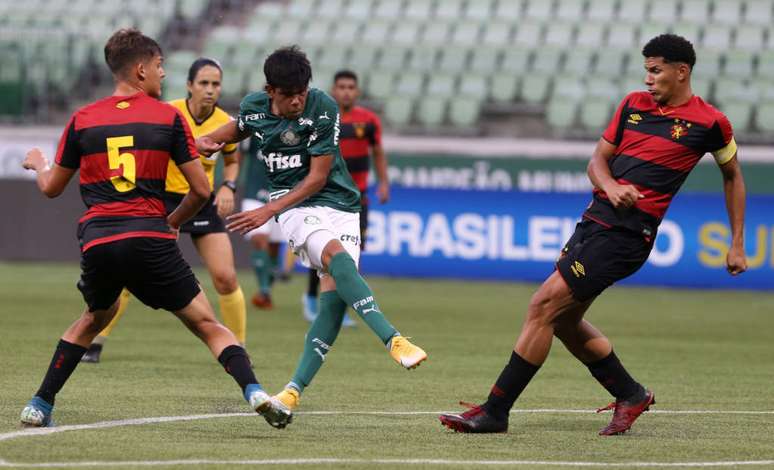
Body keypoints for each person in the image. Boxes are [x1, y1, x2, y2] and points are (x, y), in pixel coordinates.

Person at [439, 34, 747, 435]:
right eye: (646, 71)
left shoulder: (710, 123)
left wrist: (737, 242)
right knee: (564, 321)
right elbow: (597, 161)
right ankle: (632, 393)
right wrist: (612, 186)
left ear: (681, 71)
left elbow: (733, 175)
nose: (649, 79)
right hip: (593, 221)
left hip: (628, 235)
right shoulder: (632, 105)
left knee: (543, 305)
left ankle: (496, 410)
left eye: (655, 71)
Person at [19, 29, 290, 429]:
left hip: (98, 239)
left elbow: (51, 188)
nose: (164, 76)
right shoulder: (168, 117)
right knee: (207, 324)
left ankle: (40, 403)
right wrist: (172, 224)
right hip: (149, 235)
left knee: (92, 319)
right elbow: (200, 189)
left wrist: (37, 162)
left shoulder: (83, 118)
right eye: (161, 67)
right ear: (141, 69)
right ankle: (255, 392)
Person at [197, 46, 428, 414]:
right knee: (336, 258)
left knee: (335, 300)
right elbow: (235, 129)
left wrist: (265, 212)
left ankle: (290, 393)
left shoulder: (322, 106)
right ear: (271, 90)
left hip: (340, 203)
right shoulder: (256, 106)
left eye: (303, 92)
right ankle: (393, 339)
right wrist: (205, 142)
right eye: (290, 95)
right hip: (294, 206)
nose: (298, 101)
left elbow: (318, 177)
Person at [80, 57, 248, 363]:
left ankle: (238, 347)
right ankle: (95, 341)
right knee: (129, 275)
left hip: (201, 202)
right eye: (203, 83)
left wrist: (229, 186)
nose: (210, 90)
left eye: (216, 84)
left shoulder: (226, 121)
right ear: (189, 86)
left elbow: (234, 161)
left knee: (225, 277)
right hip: (161, 201)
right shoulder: (168, 113)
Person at [301, 70, 390, 326]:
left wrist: (383, 182)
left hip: (357, 196)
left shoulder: (369, 121)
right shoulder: (323, 118)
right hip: (326, 192)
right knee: (321, 247)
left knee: (352, 253)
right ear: (334, 89)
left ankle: (339, 307)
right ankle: (310, 298)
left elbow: (378, 153)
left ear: (358, 91)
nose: (347, 91)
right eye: (342, 87)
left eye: (351, 87)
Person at [242, 134, 285, 309]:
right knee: (259, 239)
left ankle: (266, 289)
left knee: (274, 247)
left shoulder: (295, 128)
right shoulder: (253, 127)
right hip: (254, 192)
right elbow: (237, 154)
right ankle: (264, 290)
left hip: (282, 196)